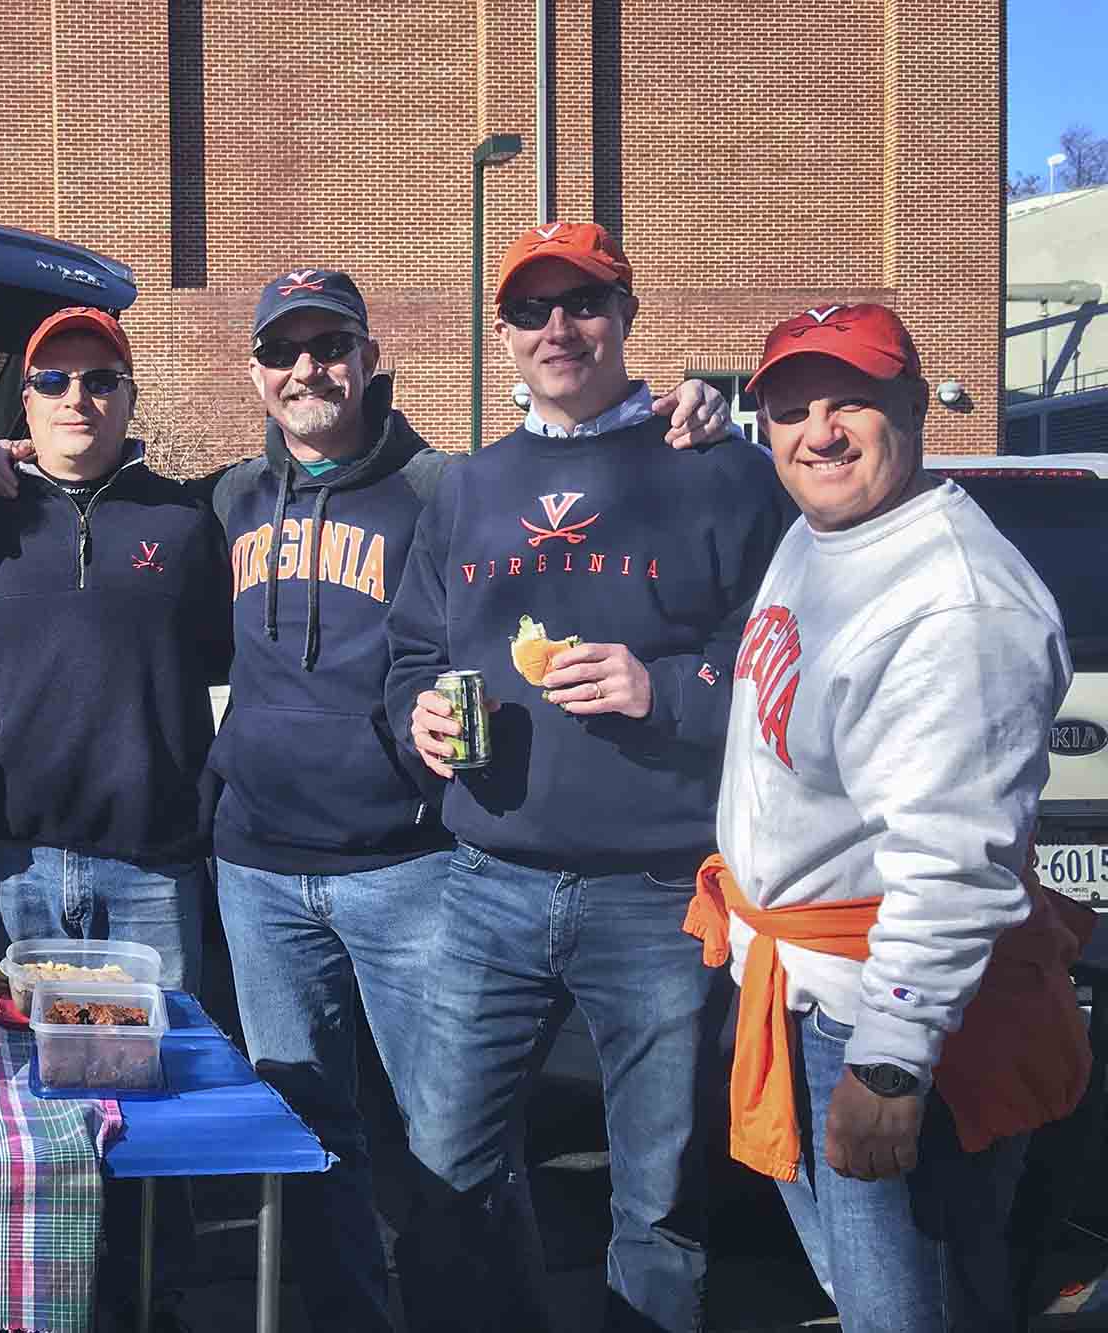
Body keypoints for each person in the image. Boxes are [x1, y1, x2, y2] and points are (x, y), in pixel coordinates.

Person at [208, 260, 739, 1332]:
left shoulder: (441, 484)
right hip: (264, 868)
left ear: (368, 358)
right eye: (279, 350)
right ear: (255, 372)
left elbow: (771, 645)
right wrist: (17, 469)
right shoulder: (225, 498)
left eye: (327, 346)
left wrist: (701, 408)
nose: (304, 367)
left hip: (418, 870)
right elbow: (416, 658)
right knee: (343, 1139)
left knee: (503, 1162)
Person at [381, 222, 793, 1332]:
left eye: (583, 303)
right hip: (484, 886)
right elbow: (413, 652)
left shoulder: (719, 473)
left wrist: (663, 689)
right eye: (529, 309)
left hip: (656, 893)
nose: (556, 329)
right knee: (446, 1175)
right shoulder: (467, 489)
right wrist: (413, 716)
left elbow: (781, 664)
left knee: (654, 1204)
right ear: (503, 334)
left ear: (626, 315)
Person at [681, 302, 1092, 1333]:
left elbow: (951, 863)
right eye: (786, 409)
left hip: (889, 1017)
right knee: (860, 1297)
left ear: (911, 403)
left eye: (848, 400)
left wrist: (887, 1062)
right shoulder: (824, 535)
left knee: (912, 1315)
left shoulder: (953, 602)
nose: (816, 430)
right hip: (798, 987)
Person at [0, 307, 231, 994]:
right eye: (52, 381)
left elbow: (229, 663)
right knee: (24, 1081)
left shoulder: (188, 522)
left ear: (131, 398)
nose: (76, 398)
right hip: (13, 867)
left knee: (158, 1078)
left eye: (101, 380)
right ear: (27, 405)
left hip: (153, 871)